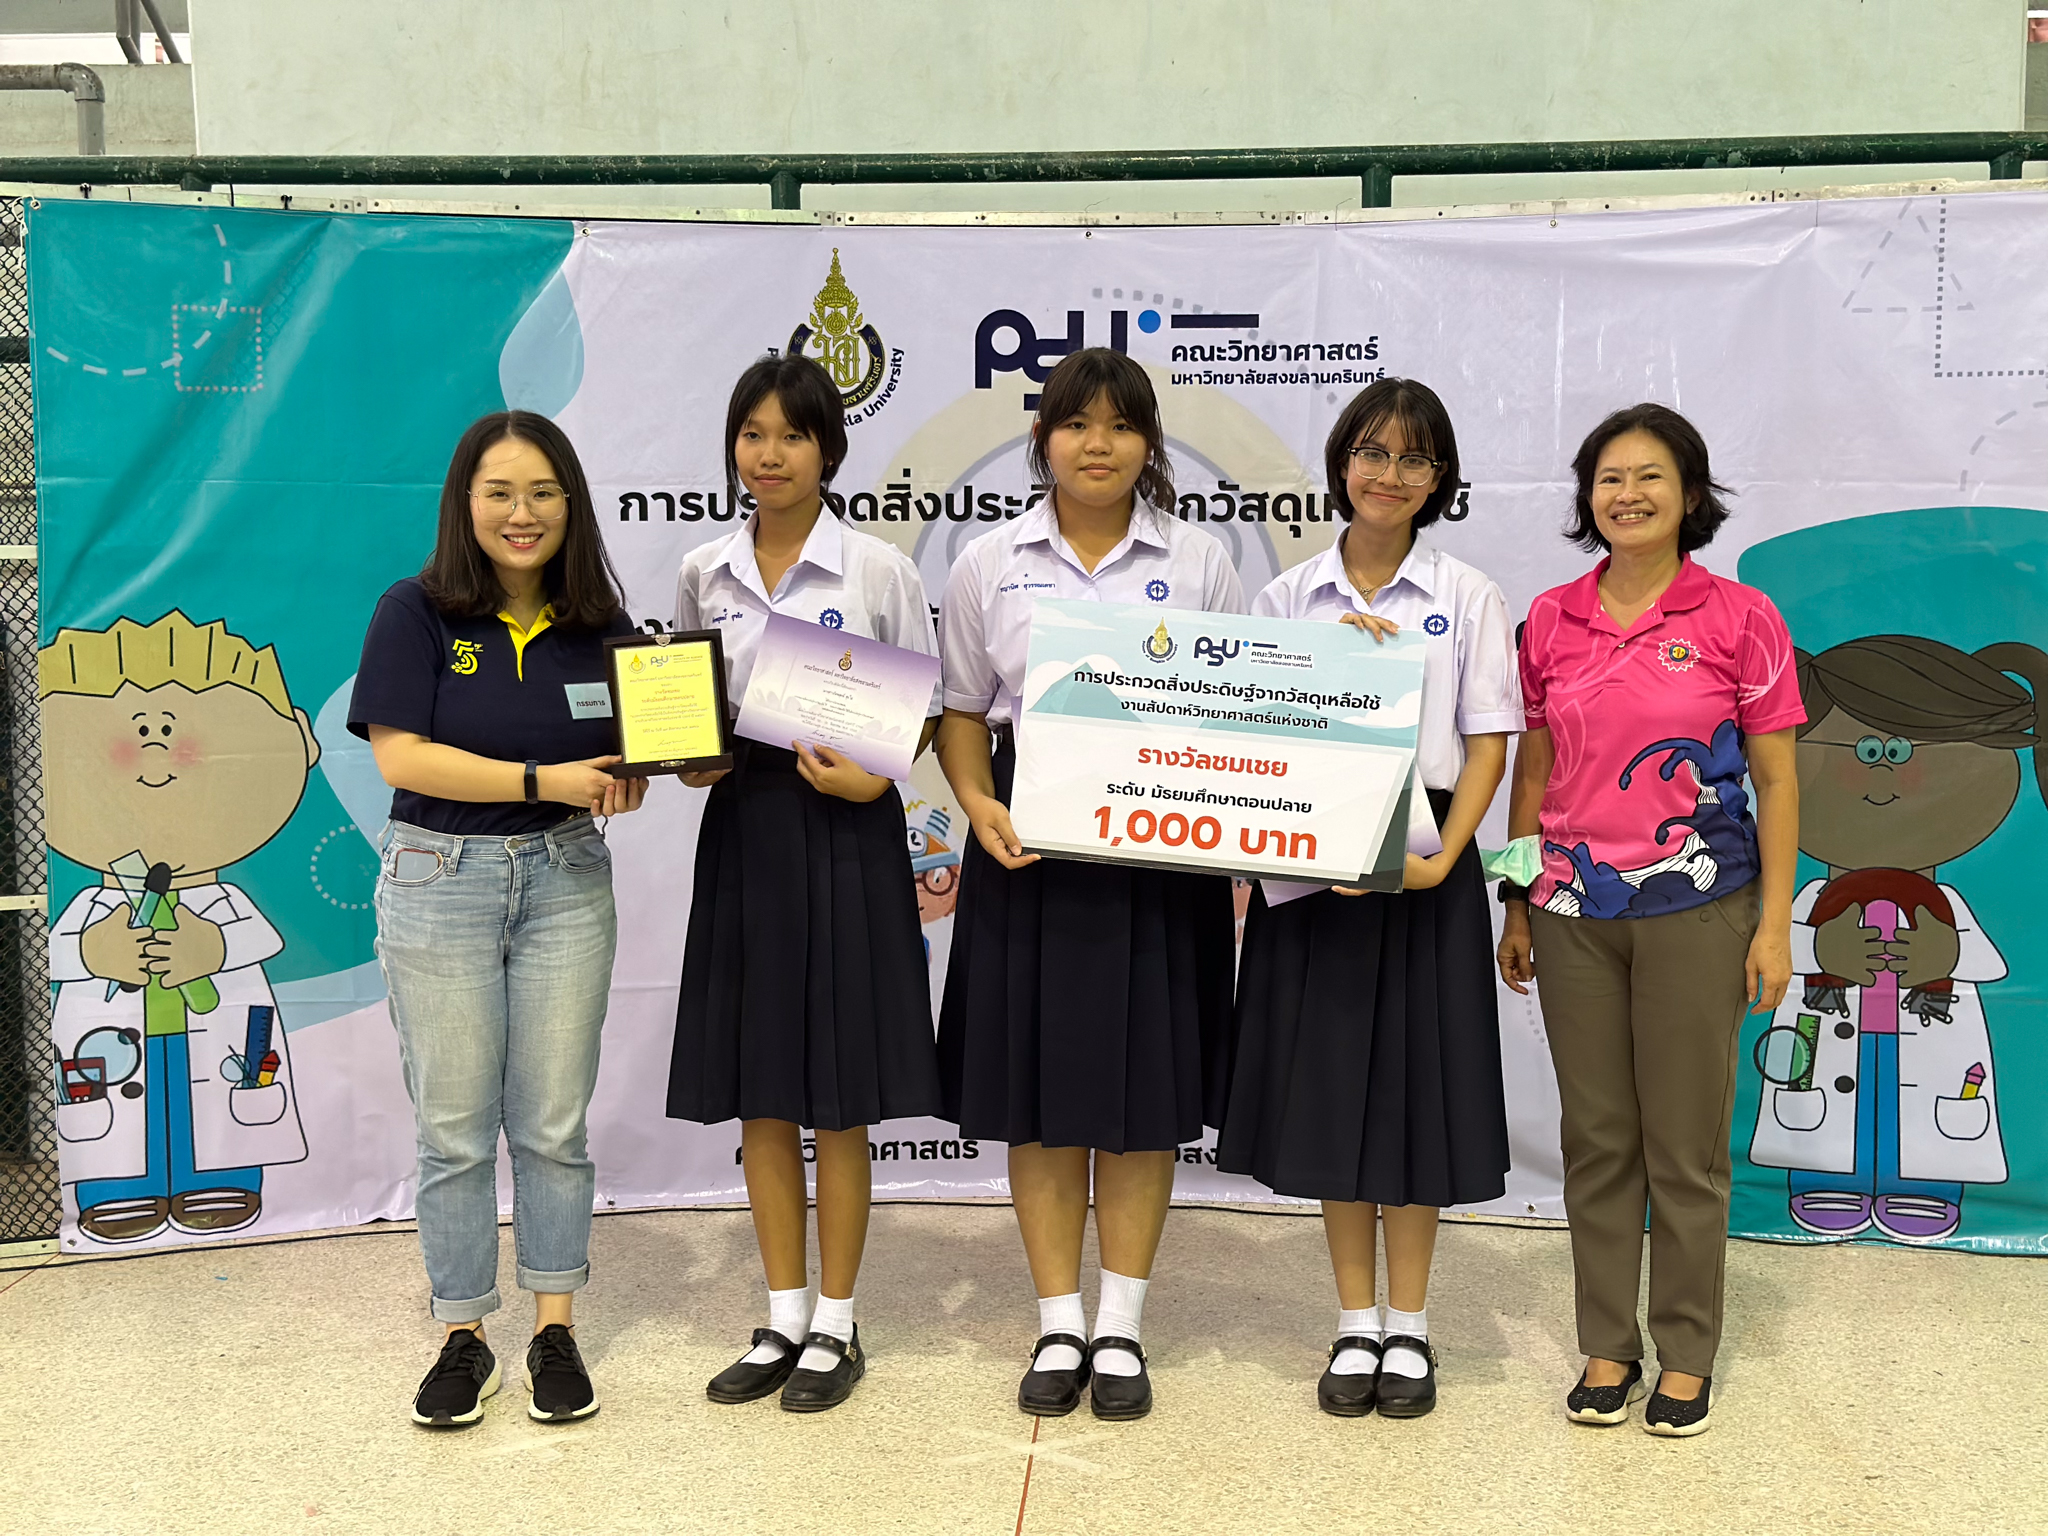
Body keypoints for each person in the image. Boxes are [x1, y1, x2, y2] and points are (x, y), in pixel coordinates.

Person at [936, 347, 1244, 1422]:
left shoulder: (1199, 560)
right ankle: (1057, 1319)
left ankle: (1120, 1325)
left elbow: (1237, 709)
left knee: (1142, 1101)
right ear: (1043, 439)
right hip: (1029, 845)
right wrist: (975, 803)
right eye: (1075, 424)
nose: (1096, 444)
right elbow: (962, 710)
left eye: (1119, 425)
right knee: (1039, 1101)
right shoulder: (988, 561)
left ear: (1148, 444)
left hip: (1160, 849)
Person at [1497, 402, 1803, 1438]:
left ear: (1689, 494)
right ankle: (1605, 1345)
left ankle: (1686, 1352)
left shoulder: (1739, 618)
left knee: (1682, 1145)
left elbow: (1776, 778)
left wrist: (1772, 925)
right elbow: (1533, 769)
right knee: (1595, 1140)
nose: (1625, 496)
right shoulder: (1549, 619)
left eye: (1648, 478)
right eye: (1607, 479)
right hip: (1571, 908)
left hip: (1701, 908)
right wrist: (1517, 896)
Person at [1216, 379, 1517, 1419]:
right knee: (1334, 1092)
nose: (1389, 474)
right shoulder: (1284, 599)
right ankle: (1354, 1323)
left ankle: (1411, 1327)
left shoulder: (1465, 594)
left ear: (1439, 479)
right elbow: (1252, 740)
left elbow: (1488, 742)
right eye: (1372, 452)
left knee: (1413, 1097)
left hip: (1427, 851)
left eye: (1413, 458)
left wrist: (1446, 858)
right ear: (1342, 462)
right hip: (1311, 848)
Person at [350, 410, 647, 1429]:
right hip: (440, 878)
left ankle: (554, 1326)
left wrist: (628, 778)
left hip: (566, 880)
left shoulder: (602, 625)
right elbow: (401, 756)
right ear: (465, 503)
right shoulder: (416, 610)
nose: (523, 514)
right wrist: (544, 778)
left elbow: (639, 746)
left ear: (571, 504)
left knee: (554, 1123)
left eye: (543, 493)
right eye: (500, 493)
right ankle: (464, 1334)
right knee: (454, 1128)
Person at [667, 353, 942, 1414]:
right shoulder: (704, 570)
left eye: (791, 435)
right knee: (763, 1088)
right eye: (752, 434)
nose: (769, 454)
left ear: (829, 448)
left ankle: (837, 1320)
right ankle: (782, 1313)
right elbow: (687, 708)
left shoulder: (876, 569)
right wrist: (689, 759)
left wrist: (874, 776)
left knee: (838, 1094)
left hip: (845, 829)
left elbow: (923, 716)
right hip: (746, 829)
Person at [1747, 634, 2045, 1242]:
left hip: (1932, 1027)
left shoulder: (1947, 906)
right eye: (1860, 749)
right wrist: (1820, 950)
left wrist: (1948, 953)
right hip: (1828, 1025)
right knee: (1824, 1104)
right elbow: (1778, 940)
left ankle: (1925, 1188)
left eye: (1903, 751)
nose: (1882, 772)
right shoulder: (1811, 900)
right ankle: (1825, 1178)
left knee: (1927, 1110)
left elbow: (1986, 962)